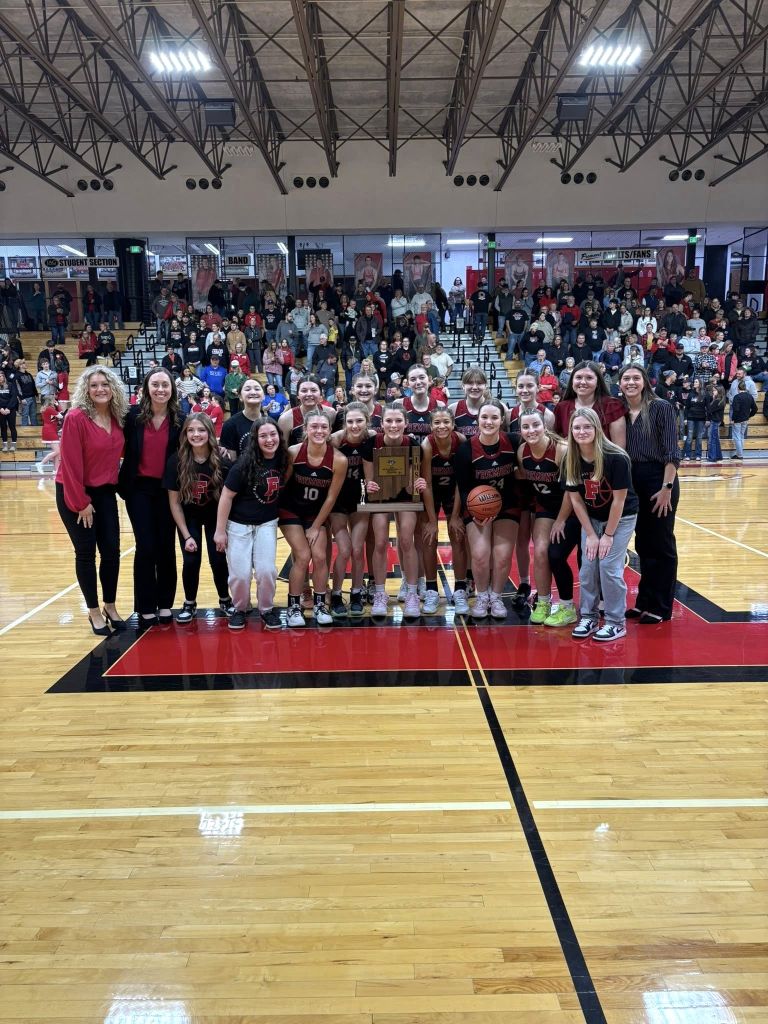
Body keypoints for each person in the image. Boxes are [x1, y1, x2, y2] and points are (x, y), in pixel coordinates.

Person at [55, 366, 128, 635]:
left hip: (105, 492)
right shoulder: (76, 417)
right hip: (76, 493)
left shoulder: (118, 418)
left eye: (105, 384)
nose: (100, 389)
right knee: (86, 553)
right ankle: (94, 611)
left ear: (113, 389)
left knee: (111, 552)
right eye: (94, 385)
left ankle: (110, 605)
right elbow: (71, 465)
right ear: (86, 389)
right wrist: (81, 502)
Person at [564, 408, 639, 642]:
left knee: (608, 566)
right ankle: (588, 616)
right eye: (577, 427)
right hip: (592, 518)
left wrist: (607, 535)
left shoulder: (616, 457)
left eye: (587, 427)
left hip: (621, 517)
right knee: (587, 566)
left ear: (597, 429)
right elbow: (576, 500)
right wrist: (591, 534)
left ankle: (616, 622)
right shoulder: (571, 458)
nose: (582, 431)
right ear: (571, 431)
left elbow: (619, 500)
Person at [118, 367, 184, 628]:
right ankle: (145, 605)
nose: (160, 389)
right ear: (146, 388)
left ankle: (165, 603)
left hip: (168, 490)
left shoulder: (180, 418)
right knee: (146, 547)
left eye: (165, 385)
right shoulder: (132, 416)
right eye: (155, 385)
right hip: (139, 489)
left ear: (172, 389)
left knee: (166, 547)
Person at [618, 366, 680, 623]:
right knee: (643, 543)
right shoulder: (620, 410)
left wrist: (666, 488)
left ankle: (662, 606)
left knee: (661, 544)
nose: (631, 382)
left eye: (635, 378)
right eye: (626, 378)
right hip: (633, 478)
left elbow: (672, 454)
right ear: (619, 383)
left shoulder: (661, 407)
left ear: (645, 381)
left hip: (659, 478)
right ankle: (644, 601)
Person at [214, 418, 287, 631]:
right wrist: (220, 531)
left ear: (279, 436)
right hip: (238, 525)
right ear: (255, 439)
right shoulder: (244, 464)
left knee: (266, 571)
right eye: (263, 436)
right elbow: (226, 497)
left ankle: (266, 609)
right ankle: (240, 608)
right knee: (240, 574)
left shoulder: (283, 459)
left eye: (272, 434)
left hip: (267, 523)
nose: (269, 439)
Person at [363, 405, 433, 621]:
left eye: (398, 421)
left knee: (406, 540)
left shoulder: (414, 445)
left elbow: (418, 480)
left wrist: (419, 483)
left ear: (405, 423)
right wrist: (368, 485)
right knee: (381, 541)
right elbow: (368, 480)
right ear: (381, 424)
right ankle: (381, 594)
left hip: (405, 497)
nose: (393, 425)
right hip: (381, 498)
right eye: (389, 421)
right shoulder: (370, 444)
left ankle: (412, 593)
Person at [453, 399, 521, 620]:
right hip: (477, 508)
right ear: (477, 419)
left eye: (494, 417)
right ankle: (482, 596)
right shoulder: (466, 449)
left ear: (502, 420)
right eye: (484, 417)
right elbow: (463, 488)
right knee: (481, 555)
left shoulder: (513, 441)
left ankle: (496, 596)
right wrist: (475, 512)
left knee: (501, 557)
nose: (489, 421)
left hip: (507, 504)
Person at [279, 412, 347, 627]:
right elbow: (282, 485)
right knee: (302, 556)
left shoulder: (338, 459)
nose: (319, 431)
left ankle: (319, 604)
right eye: (314, 426)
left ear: (329, 430)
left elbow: (331, 497)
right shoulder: (292, 452)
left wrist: (316, 526)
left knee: (319, 557)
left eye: (324, 427)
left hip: (315, 514)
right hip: (290, 510)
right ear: (305, 429)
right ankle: (293, 608)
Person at [164, 413, 233, 624]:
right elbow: (174, 503)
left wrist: (222, 529)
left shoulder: (221, 460)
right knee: (191, 561)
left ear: (210, 433)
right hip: (189, 519)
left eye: (201, 430)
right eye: (191, 430)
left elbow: (227, 499)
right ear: (185, 434)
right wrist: (186, 536)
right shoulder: (176, 460)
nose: (196, 434)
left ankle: (225, 599)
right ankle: (189, 603)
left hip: (215, 519)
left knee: (218, 560)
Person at [517, 410, 578, 628]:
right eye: (526, 427)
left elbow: (572, 491)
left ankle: (568, 606)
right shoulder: (522, 451)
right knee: (540, 550)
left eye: (535, 425)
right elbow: (523, 477)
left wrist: (561, 520)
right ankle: (543, 602)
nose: (531, 430)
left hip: (572, 508)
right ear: (520, 430)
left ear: (545, 426)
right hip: (546, 507)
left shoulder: (561, 450)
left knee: (556, 554)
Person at [329, 402, 377, 618]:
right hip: (338, 501)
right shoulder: (335, 440)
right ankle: (336, 593)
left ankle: (356, 592)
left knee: (358, 549)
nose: (355, 425)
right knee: (345, 549)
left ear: (367, 421)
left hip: (361, 499)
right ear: (344, 422)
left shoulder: (373, 438)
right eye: (350, 421)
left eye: (359, 421)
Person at [421, 408, 467, 614]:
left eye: (446, 422)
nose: (441, 426)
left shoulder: (461, 441)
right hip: (432, 492)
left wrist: (456, 516)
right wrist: (432, 520)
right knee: (429, 537)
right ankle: (431, 590)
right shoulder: (427, 445)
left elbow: (461, 482)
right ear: (431, 427)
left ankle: (460, 589)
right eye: (437, 423)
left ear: (453, 423)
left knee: (457, 536)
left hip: (454, 491)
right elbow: (427, 484)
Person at [554, 360, 626, 447]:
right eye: (578, 377)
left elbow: (619, 450)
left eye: (589, 378)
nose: (583, 382)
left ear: (598, 383)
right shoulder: (561, 408)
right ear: (572, 381)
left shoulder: (612, 406)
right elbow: (559, 445)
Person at [450, 367, 488, 439]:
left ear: (485, 385)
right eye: (470, 383)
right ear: (463, 386)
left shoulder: (497, 408)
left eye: (479, 383)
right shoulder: (453, 409)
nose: (474, 387)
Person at [730, 380, 757, 460]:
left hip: (738, 420)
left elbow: (736, 410)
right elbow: (755, 409)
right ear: (745, 388)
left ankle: (740, 455)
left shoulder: (737, 397)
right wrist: (749, 415)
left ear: (738, 388)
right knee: (741, 436)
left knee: (737, 437)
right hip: (745, 419)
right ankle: (739, 453)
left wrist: (733, 419)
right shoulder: (749, 396)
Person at [682, 376, 707, 461]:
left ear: (700, 383)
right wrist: (685, 418)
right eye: (694, 382)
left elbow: (708, 408)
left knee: (699, 437)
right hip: (691, 418)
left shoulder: (705, 394)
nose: (694, 383)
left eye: (696, 382)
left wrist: (707, 419)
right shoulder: (691, 394)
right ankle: (687, 455)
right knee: (689, 437)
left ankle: (698, 455)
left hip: (701, 418)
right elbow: (687, 407)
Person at [0, 369, 19, 452]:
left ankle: (13, 445)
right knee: (3, 427)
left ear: (4, 377)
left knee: (12, 427)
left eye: (0, 376)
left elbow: (14, 397)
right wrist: (0, 408)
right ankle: (5, 446)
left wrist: (8, 408)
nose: (0, 378)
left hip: (10, 409)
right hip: (1, 410)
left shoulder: (10, 385)